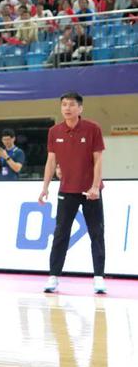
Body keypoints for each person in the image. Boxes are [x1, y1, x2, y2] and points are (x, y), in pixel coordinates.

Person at [39, 92, 106, 294]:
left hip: (90, 192)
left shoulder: (93, 128)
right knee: (60, 233)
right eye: (64, 105)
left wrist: (95, 186)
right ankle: (53, 276)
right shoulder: (54, 131)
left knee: (97, 233)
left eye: (71, 104)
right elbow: (51, 161)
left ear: (80, 108)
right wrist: (45, 187)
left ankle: (99, 277)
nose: (67, 108)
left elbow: (98, 160)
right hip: (66, 191)